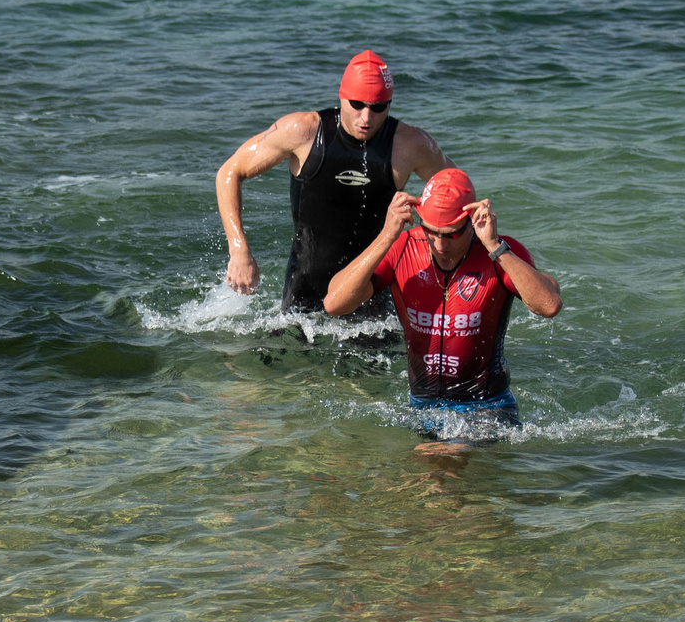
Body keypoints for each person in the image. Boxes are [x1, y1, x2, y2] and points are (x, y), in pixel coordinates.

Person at [322, 168, 561, 440]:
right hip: (422, 406)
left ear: (471, 220)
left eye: (451, 235)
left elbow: (549, 305)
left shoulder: (499, 253)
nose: (440, 245)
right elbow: (334, 303)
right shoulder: (402, 248)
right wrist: (387, 235)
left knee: (438, 468)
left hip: (487, 407)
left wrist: (495, 245)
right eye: (431, 232)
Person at [214, 49, 450, 317]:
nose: (366, 118)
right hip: (303, 293)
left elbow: (457, 191)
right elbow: (229, 172)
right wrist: (238, 250)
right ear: (342, 97)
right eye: (357, 104)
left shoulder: (410, 145)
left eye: (378, 108)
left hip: (372, 295)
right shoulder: (302, 131)